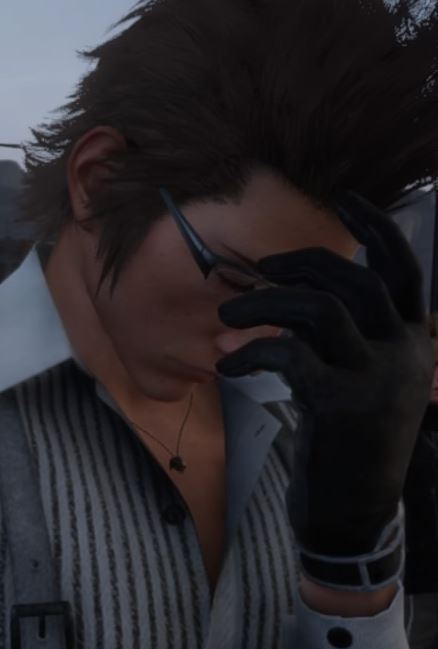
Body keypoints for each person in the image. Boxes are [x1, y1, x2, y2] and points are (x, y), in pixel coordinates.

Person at [2, 1, 438, 647]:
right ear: (99, 180)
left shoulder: (320, 426)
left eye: (300, 301)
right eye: (235, 280)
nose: (257, 341)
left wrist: (349, 558)